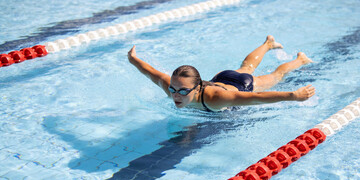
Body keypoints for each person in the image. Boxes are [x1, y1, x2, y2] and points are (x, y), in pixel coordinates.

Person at [127, 35, 315, 112]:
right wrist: (133, 59)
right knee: (246, 66)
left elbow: (257, 97)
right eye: (173, 89)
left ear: (197, 87)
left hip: (241, 84)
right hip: (220, 78)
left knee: (274, 76)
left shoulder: (216, 99)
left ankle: (301, 59)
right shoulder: (173, 88)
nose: (176, 95)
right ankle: (267, 44)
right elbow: (150, 71)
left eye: (183, 91)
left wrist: (293, 95)